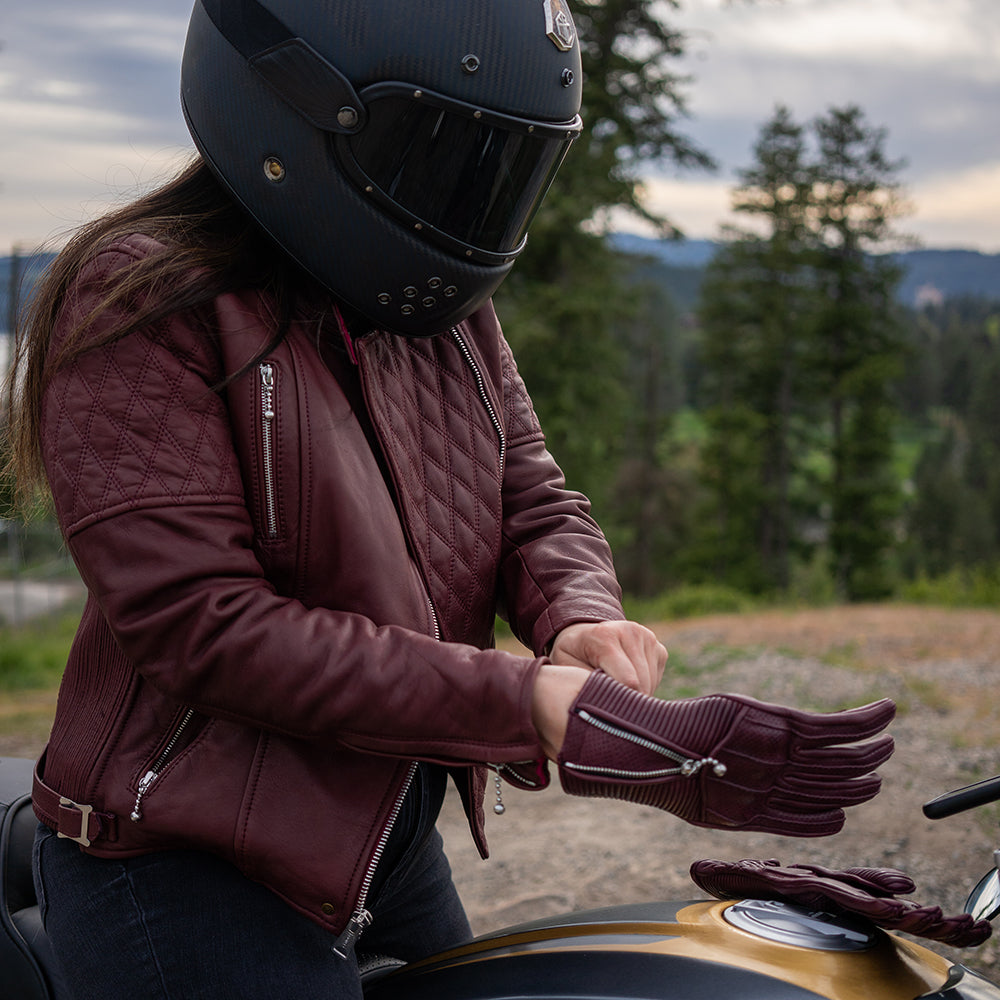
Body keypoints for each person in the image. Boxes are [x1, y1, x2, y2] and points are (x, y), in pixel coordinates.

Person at [2, 2, 894, 998]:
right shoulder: (142, 299)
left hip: (376, 825)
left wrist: (581, 621)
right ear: (301, 113)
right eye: (435, 154)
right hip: (175, 854)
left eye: (494, 172)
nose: (459, 206)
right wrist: (533, 702)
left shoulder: (427, 300)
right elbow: (207, 628)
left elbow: (532, 496)